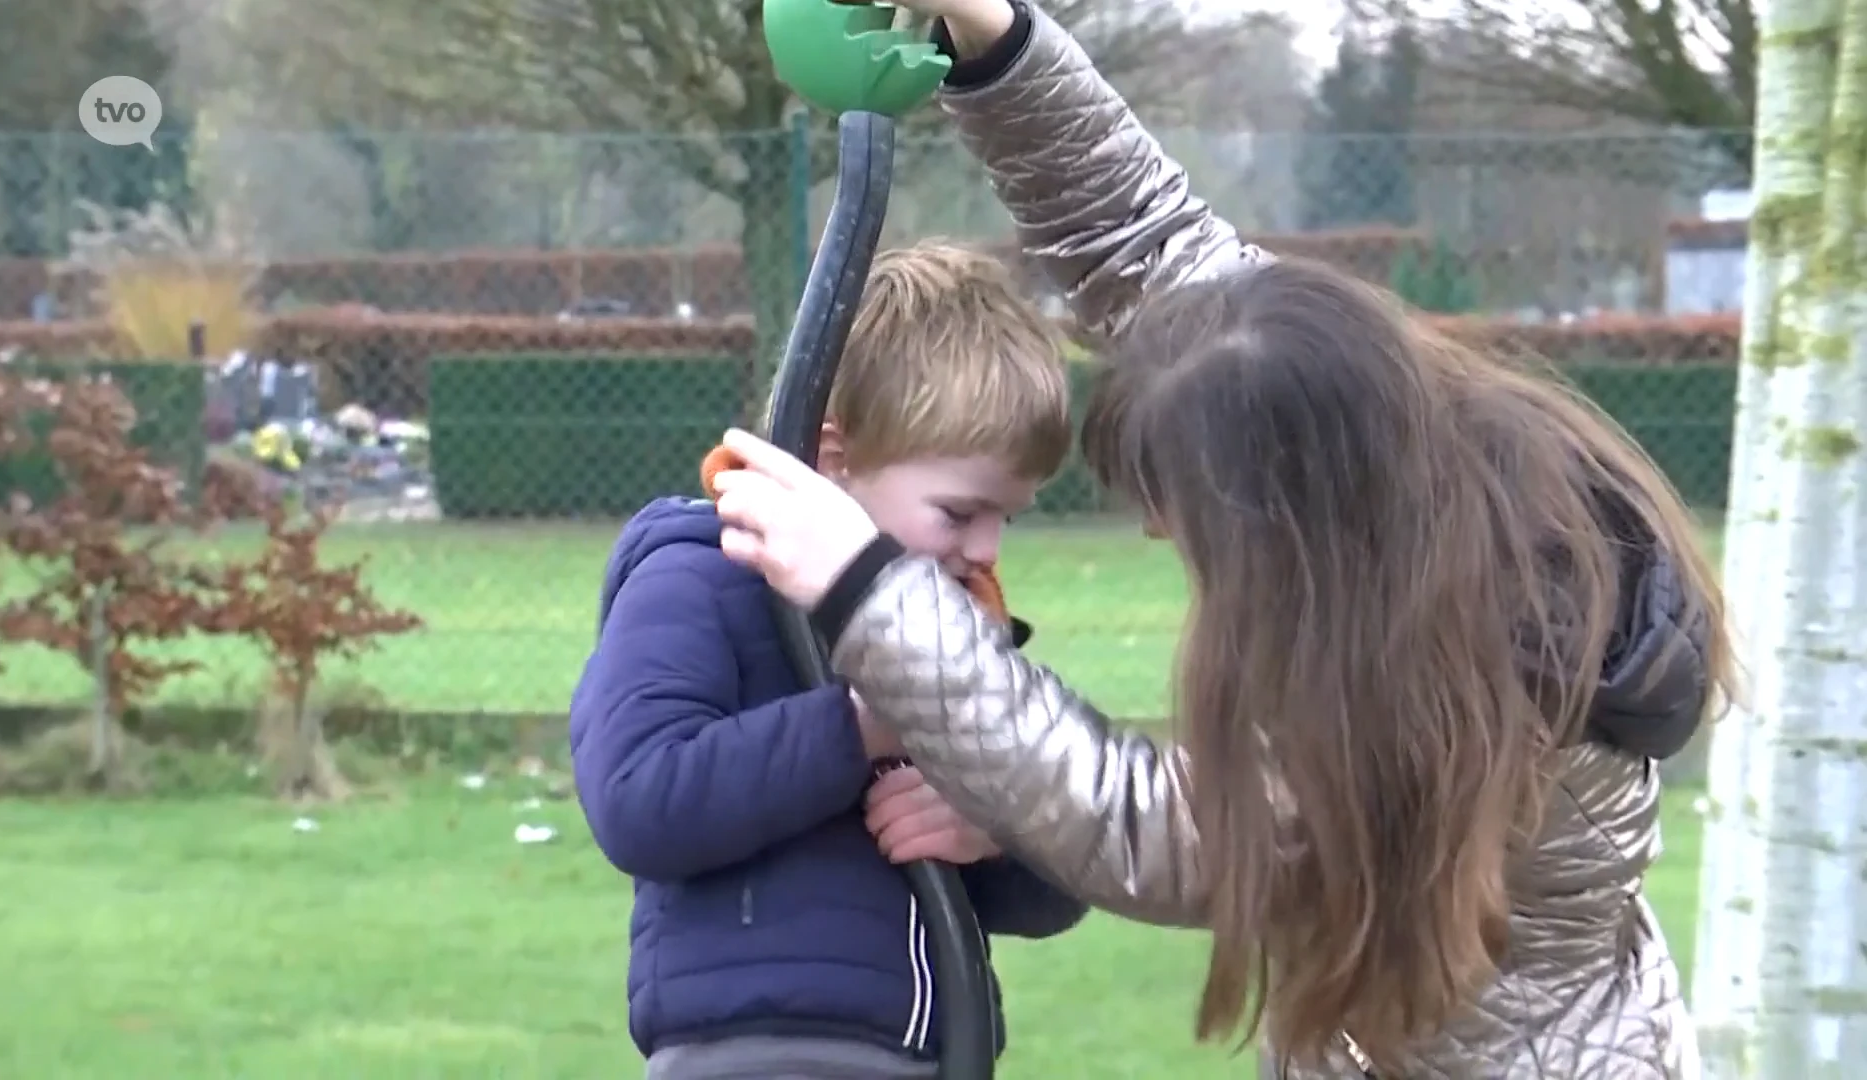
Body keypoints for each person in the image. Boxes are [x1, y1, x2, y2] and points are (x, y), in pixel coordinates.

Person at [706, 1, 1736, 1076]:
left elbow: (1147, 826)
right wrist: (995, 34)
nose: (1162, 529)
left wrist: (869, 586)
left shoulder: (1472, 693)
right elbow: (1146, 245)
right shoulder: (1398, 459)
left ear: (1301, 528)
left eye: (1190, 510)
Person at [571, 241, 1089, 1080]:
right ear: (831, 453)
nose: (986, 547)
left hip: (934, 1053)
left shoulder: (955, 621)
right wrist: (860, 728)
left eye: (1009, 518)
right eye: (959, 512)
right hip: (761, 1053)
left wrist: (996, 834)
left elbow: (1070, 869)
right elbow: (638, 795)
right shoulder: (698, 576)